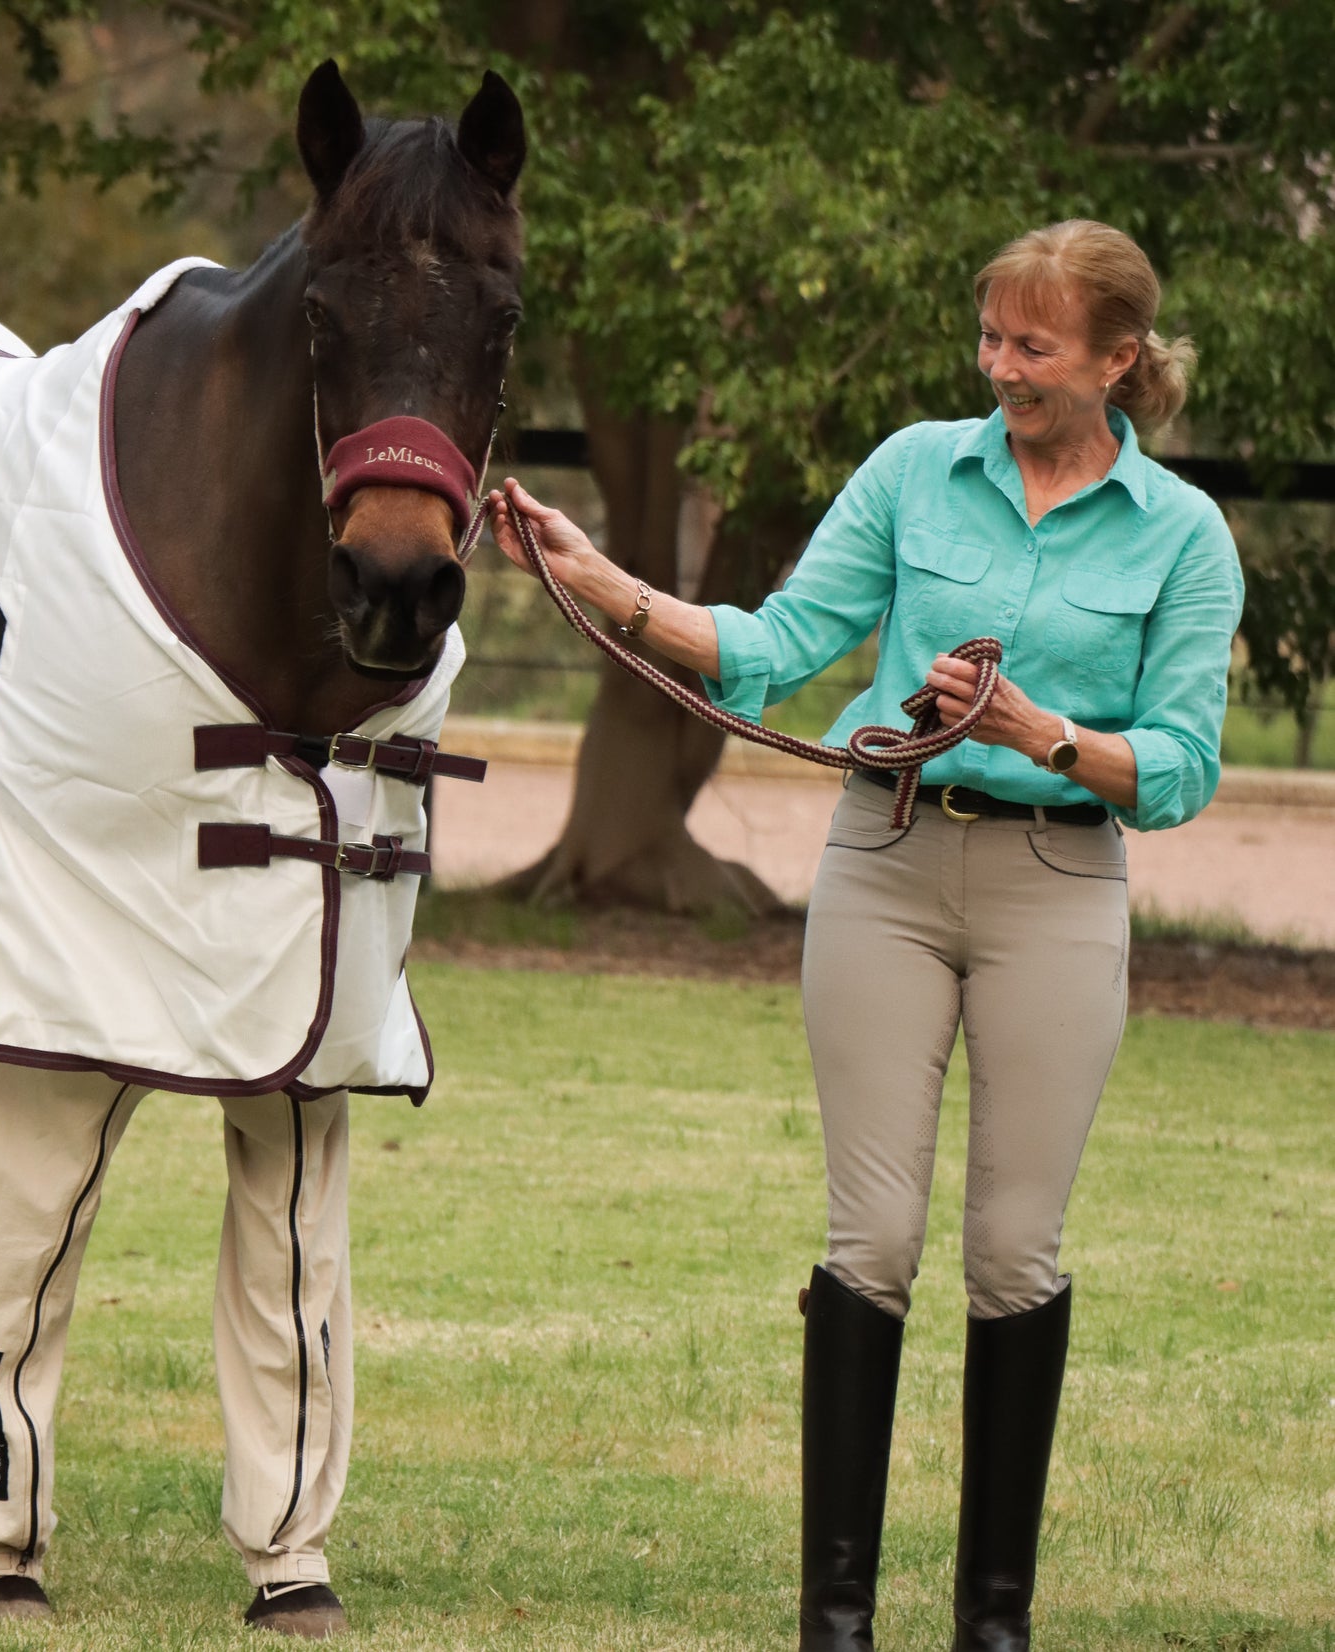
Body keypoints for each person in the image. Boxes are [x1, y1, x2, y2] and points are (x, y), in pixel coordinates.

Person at [490, 219, 1244, 1652]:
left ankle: (992, 1627)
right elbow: (776, 648)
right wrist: (601, 584)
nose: (999, 367)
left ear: (1113, 358)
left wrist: (1047, 733)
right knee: (873, 1237)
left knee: (1015, 1251)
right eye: (989, 338)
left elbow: (1185, 769)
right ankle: (835, 1622)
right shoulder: (912, 472)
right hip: (886, 870)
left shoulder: (1182, 538)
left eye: (1031, 345)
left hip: (1055, 890)